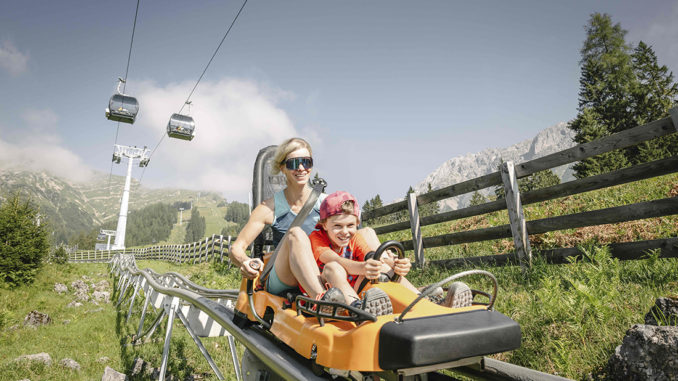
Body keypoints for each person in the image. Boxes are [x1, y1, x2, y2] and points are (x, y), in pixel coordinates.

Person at [229, 138, 342, 304]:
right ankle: (324, 303)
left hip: (321, 271)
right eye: (293, 164)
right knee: (295, 235)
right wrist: (245, 262)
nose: (301, 168)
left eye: (306, 162)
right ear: (282, 168)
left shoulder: (327, 204)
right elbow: (236, 248)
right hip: (284, 278)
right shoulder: (268, 208)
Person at [309, 191, 425, 315]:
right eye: (337, 226)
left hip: (356, 287)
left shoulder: (355, 238)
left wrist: (394, 264)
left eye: (350, 225)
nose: (345, 231)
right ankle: (356, 309)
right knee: (332, 267)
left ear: (357, 224)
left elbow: (369, 255)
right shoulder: (317, 237)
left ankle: (422, 299)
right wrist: (363, 268)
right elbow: (335, 260)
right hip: (333, 289)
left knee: (383, 267)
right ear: (324, 225)